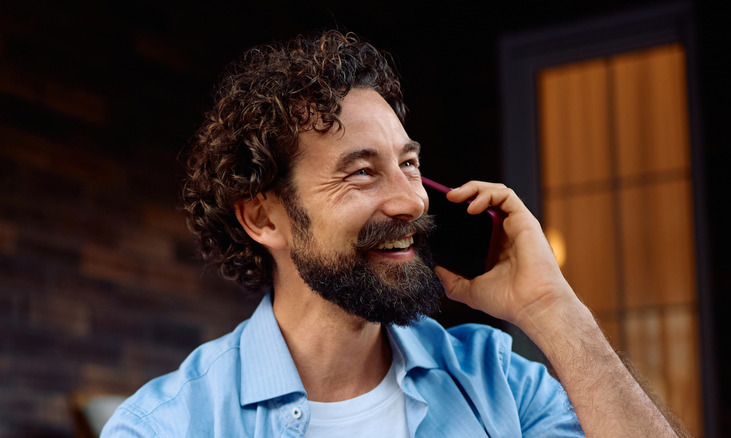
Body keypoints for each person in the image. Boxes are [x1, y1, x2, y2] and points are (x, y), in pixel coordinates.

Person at [102, 30, 687, 437]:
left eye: (408, 164)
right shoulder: (167, 426)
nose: (413, 199)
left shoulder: (498, 384)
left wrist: (553, 309)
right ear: (263, 218)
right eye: (362, 173)